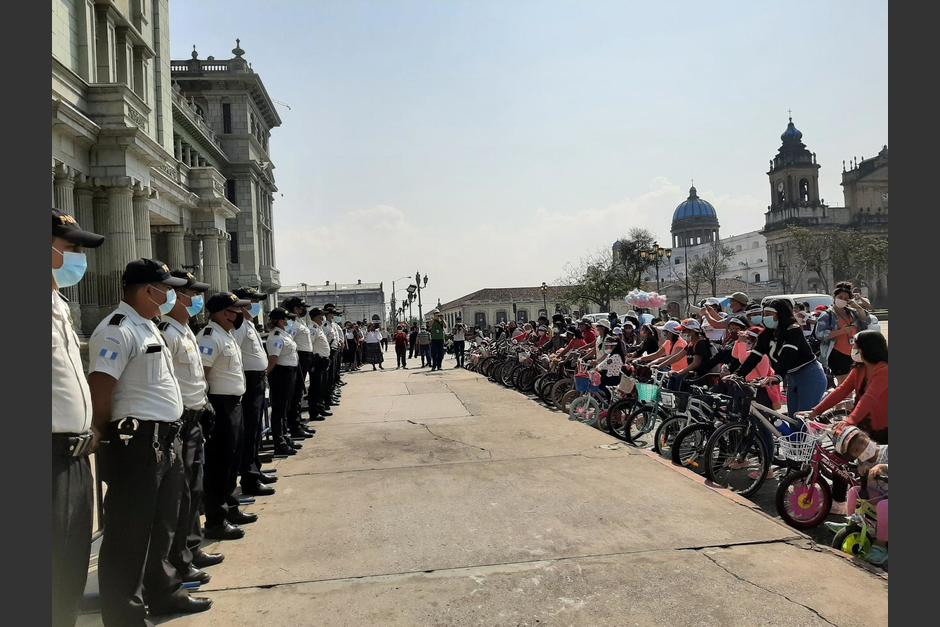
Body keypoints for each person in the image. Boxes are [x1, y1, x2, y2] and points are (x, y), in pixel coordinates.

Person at [88, 259, 211, 622]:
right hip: (138, 442)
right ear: (147, 290)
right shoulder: (117, 330)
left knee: (163, 526)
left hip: (165, 440)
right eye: (166, 288)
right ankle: (124, 615)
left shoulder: (149, 327)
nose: (171, 295)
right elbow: (101, 388)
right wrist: (100, 433)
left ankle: (164, 593)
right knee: (129, 534)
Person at [51, 209, 104, 627]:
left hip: (74, 455)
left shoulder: (58, 304)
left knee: (69, 564)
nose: (78, 258)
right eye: (70, 247)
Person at [156, 270, 223, 591]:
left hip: (195, 418)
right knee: (179, 495)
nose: (196, 299)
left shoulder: (185, 331)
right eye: (190, 293)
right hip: (178, 421)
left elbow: (194, 377)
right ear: (175, 295)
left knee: (194, 489)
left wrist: (204, 403)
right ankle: (178, 558)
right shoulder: (166, 332)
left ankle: (191, 548)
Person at [198, 292, 259, 542]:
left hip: (234, 404)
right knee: (219, 464)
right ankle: (216, 520)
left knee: (232, 461)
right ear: (225, 313)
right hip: (220, 405)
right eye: (236, 310)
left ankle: (230, 508)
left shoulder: (227, 335)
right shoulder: (210, 336)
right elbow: (202, 374)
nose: (241, 314)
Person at [735, 299, 827, 414]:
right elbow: (755, 356)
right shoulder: (766, 334)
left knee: (803, 418)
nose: (765, 317)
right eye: (764, 314)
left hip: (809, 375)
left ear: (780, 314)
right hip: (792, 377)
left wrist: (778, 375)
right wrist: (738, 374)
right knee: (793, 417)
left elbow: (787, 354)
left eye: (769, 314)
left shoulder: (793, 329)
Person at [807, 330, 888, 444]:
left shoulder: (884, 370)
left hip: (882, 426)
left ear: (867, 349)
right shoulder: (860, 368)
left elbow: (869, 398)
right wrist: (816, 411)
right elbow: (842, 390)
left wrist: (849, 422)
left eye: (855, 346)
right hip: (863, 423)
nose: (852, 348)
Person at [815, 282, 871, 385]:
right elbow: (820, 334)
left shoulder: (852, 312)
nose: (842, 300)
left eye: (846, 298)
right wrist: (841, 331)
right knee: (844, 383)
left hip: (854, 352)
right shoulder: (827, 315)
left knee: (857, 383)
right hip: (836, 353)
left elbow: (866, 320)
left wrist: (857, 307)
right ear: (834, 297)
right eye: (840, 297)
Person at [265, 308, 300, 456]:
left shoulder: (284, 334)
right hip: (281, 375)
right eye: (286, 319)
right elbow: (273, 359)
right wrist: (266, 376)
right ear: (280, 321)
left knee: (285, 408)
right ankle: (279, 443)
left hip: (289, 373)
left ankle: (285, 437)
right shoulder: (276, 337)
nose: (288, 321)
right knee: (279, 409)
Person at [307, 307, 334, 417]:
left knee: (321, 386)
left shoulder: (318, 328)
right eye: (320, 317)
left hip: (323, 361)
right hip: (317, 361)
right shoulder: (312, 329)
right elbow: (310, 345)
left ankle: (320, 407)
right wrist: (314, 360)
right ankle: (314, 411)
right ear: (314, 317)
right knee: (316, 387)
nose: (322, 319)